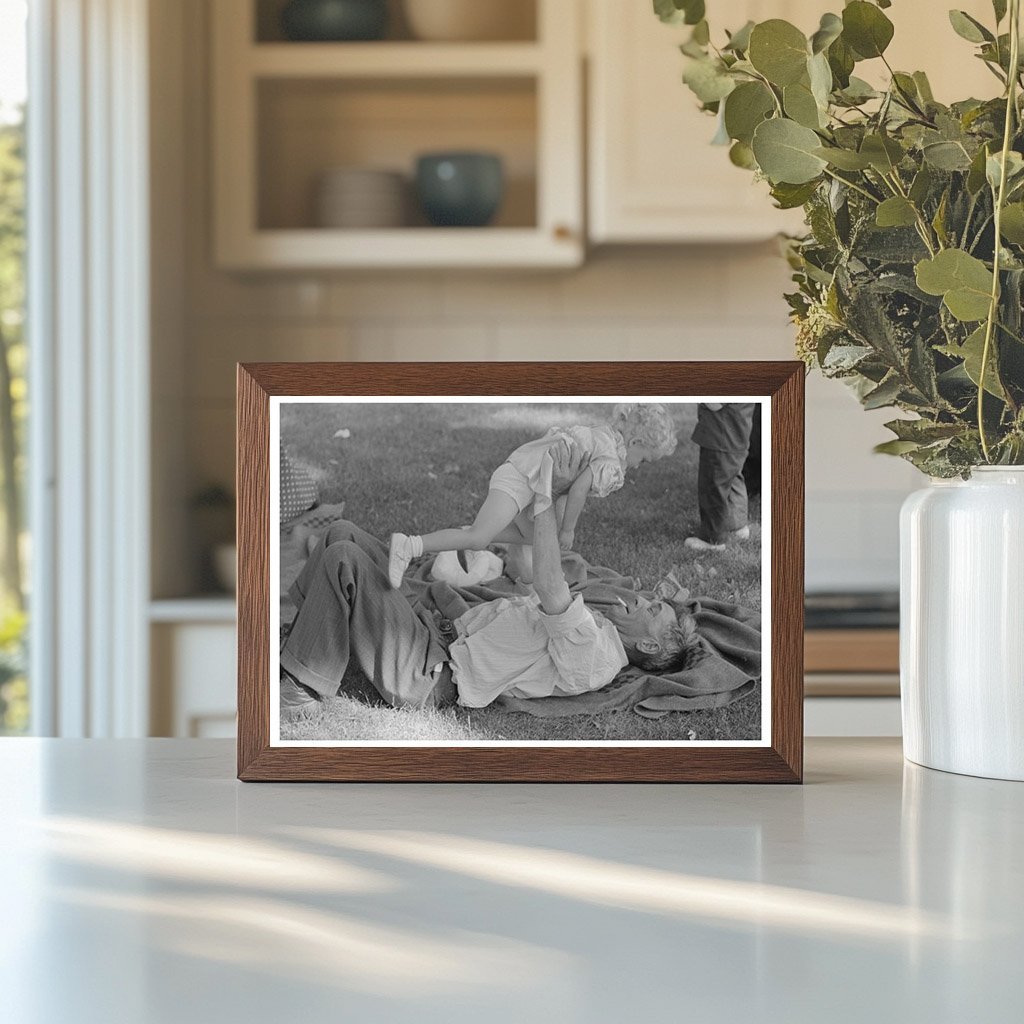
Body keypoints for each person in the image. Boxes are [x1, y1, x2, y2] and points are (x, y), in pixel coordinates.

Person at [280, 443, 695, 722]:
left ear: (651, 645)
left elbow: (551, 587)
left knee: (344, 559)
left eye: (653, 610)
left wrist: (546, 492)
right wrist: (537, 501)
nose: (642, 600)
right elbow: (528, 573)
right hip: (434, 632)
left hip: (427, 673)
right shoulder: (597, 627)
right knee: (343, 532)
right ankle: (302, 632)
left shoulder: (596, 654)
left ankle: (302, 689)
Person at [386, 403, 678, 589]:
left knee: (531, 537)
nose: (640, 466)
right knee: (479, 537)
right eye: (646, 459)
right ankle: (409, 545)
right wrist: (568, 530)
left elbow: (566, 481)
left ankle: (477, 538)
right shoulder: (611, 462)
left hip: (527, 478)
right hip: (522, 479)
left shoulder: (603, 435)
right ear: (637, 442)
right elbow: (577, 490)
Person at [684, 402, 757, 553]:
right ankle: (738, 526)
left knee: (713, 487)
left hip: (719, 437)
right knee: (734, 479)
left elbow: (714, 404)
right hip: (737, 435)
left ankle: (712, 539)